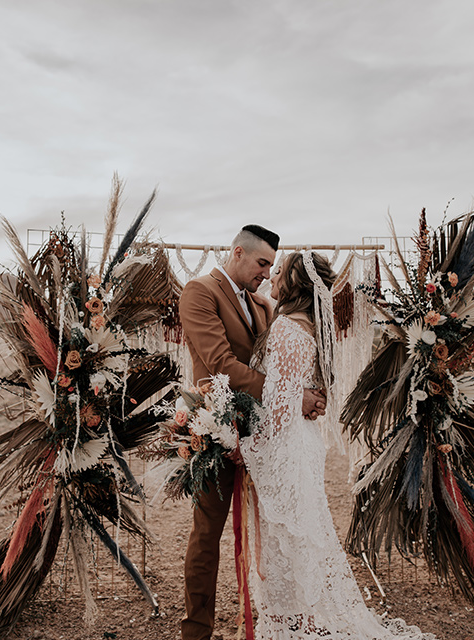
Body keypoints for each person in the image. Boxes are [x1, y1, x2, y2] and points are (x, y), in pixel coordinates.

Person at [239, 251, 435, 640]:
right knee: (300, 533)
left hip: (284, 446)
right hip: (300, 441)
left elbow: (279, 406)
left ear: (293, 284)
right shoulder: (309, 327)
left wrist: (249, 449)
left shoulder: (287, 330)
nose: (272, 278)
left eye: (278, 272)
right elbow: (298, 393)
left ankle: (296, 623)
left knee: (288, 534)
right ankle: (301, 619)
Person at [179, 226, 327, 640]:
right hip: (217, 433)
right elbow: (221, 363)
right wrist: (291, 397)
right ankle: (196, 631)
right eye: (262, 264)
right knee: (208, 533)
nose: (267, 273)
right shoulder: (199, 292)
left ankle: (277, 621)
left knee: (272, 533)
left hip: (267, 440)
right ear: (238, 252)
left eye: (271, 267)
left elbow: (280, 362)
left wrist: (308, 397)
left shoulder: (263, 307)